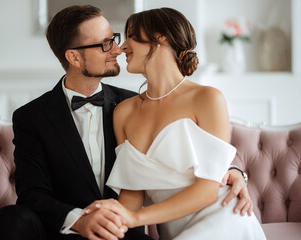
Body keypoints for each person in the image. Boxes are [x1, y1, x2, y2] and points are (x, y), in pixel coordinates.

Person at [0, 5, 253, 240]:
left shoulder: (126, 104)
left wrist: (233, 171)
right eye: (105, 43)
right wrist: (82, 219)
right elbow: (32, 193)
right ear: (74, 57)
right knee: (10, 218)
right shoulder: (33, 116)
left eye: (117, 39)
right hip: (71, 227)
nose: (119, 48)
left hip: (138, 228)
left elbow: (201, 158)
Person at [83, 7, 266, 240]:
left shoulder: (207, 99)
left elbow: (208, 190)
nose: (122, 47)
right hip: (174, 231)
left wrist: (135, 218)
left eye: (131, 36)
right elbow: (132, 193)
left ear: (161, 38)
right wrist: (111, 217)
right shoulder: (123, 112)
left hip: (224, 218)